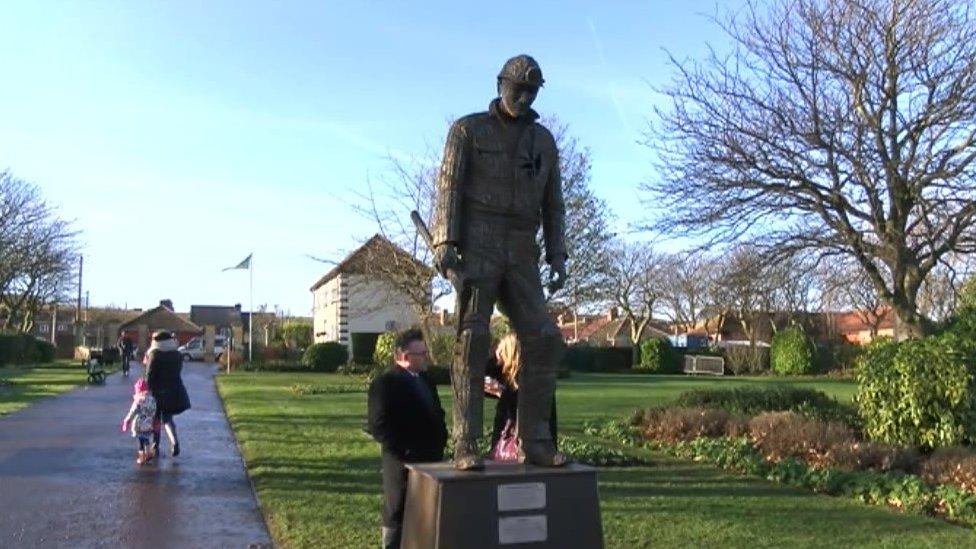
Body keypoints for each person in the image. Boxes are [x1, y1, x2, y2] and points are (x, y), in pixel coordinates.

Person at [432, 54, 567, 469]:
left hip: (522, 246)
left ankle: (536, 440)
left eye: (531, 91)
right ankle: (466, 444)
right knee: (472, 341)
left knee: (544, 338)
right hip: (479, 241)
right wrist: (445, 239)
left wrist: (557, 252)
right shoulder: (468, 131)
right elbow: (449, 186)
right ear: (500, 84)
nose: (523, 98)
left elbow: (553, 202)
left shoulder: (543, 141)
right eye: (517, 89)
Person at [367, 328, 448, 549]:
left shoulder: (426, 380)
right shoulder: (385, 384)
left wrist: (442, 436)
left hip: (431, 461)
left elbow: (436, 412)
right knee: (398, 512)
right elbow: (378, 426)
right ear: (404, 356)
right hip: (402, 464)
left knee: (427, 512)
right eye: (420, 354)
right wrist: (405, 453)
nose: (425, 358)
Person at [484, 334, 558, 461]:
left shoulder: (526, 379)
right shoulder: (508, 373)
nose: (497, 354)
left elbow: (519, 410)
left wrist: (502, 394)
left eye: (501, 351)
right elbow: (484, 370)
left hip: (520, 445)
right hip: (511, 444)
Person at [144, 330, 191, 458]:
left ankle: (155, 444)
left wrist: (146, 390)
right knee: (168, 418)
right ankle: (174, 442)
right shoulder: (177, 354)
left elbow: (149, 375)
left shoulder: (155, 354)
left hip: (157, 391)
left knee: (155, 419)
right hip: (174, 390)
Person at [121, 378, 158, 465]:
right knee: (146, 439)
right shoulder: (152, 400)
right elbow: (154, 411)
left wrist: (127, 421)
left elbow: (132, 412)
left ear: (138, 391)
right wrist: (153, 420)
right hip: (148, 424)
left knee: (140, 442)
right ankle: (148, 453)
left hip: (139, 425)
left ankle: (141, 458)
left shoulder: (138, 401)